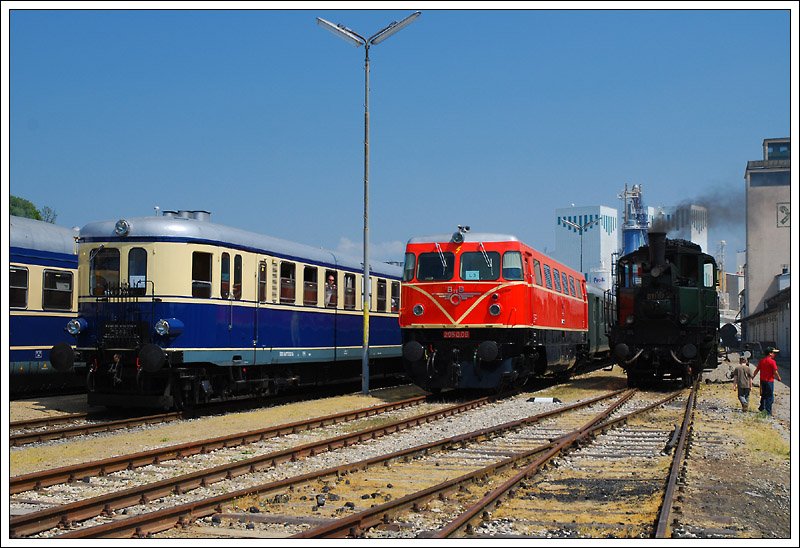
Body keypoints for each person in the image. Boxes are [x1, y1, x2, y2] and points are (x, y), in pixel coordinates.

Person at [752, 346, 782, 416]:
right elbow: (775, 371)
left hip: (762, 381)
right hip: (769, 381)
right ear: (770, 353)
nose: (775, 354)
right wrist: (779, 377)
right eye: (774, 353)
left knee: (763, 395)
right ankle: (768, 412)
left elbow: (757, 370)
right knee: (770, 396)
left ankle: (762, 407)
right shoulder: (772, 362)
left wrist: (752, 377)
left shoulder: (762, 361)